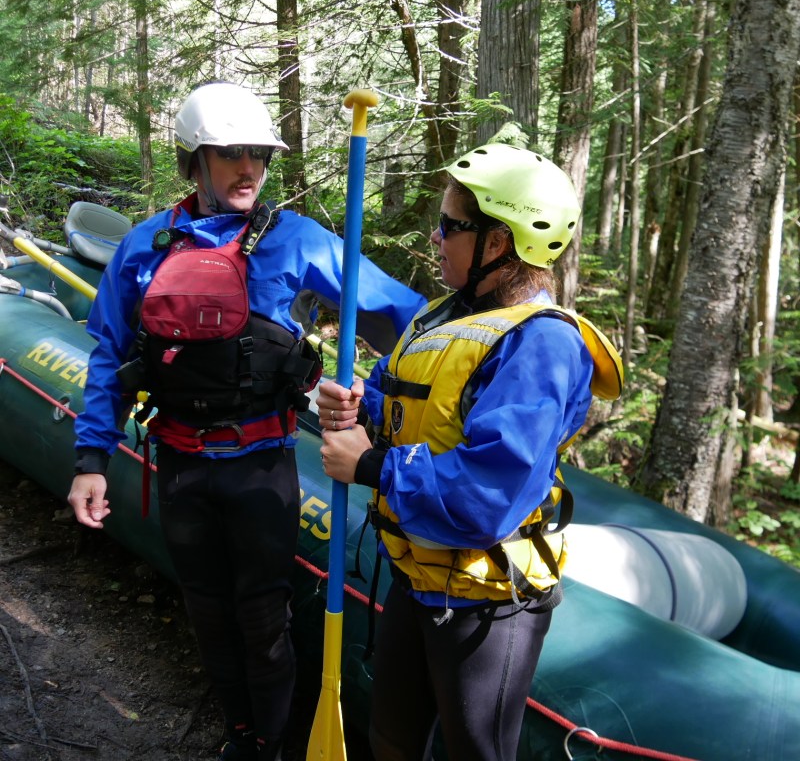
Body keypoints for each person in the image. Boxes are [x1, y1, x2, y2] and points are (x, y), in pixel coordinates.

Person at [66, 80, 427, 761]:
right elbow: (111, 357)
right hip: (178, 463)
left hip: (261, 465)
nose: (249, 169)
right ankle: (241, 734)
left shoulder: (298, 241)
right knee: (206, 607)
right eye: (230, 153)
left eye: (258, 153)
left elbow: (404, 320)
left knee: (262, 614)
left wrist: (370, 398)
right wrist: (91, 462)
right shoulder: (145, 247)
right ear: (194, 160)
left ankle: (269, 742)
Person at [316, 143, 622, 761]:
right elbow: (402, 406)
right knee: (392, 741)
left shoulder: (542, 345)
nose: (436, 237)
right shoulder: (440, 316)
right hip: (415, 575)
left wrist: (369, 465)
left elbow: (489, 494)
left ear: (499, 243)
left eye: (452, 226)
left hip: (486, 602)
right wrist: (356, 406)